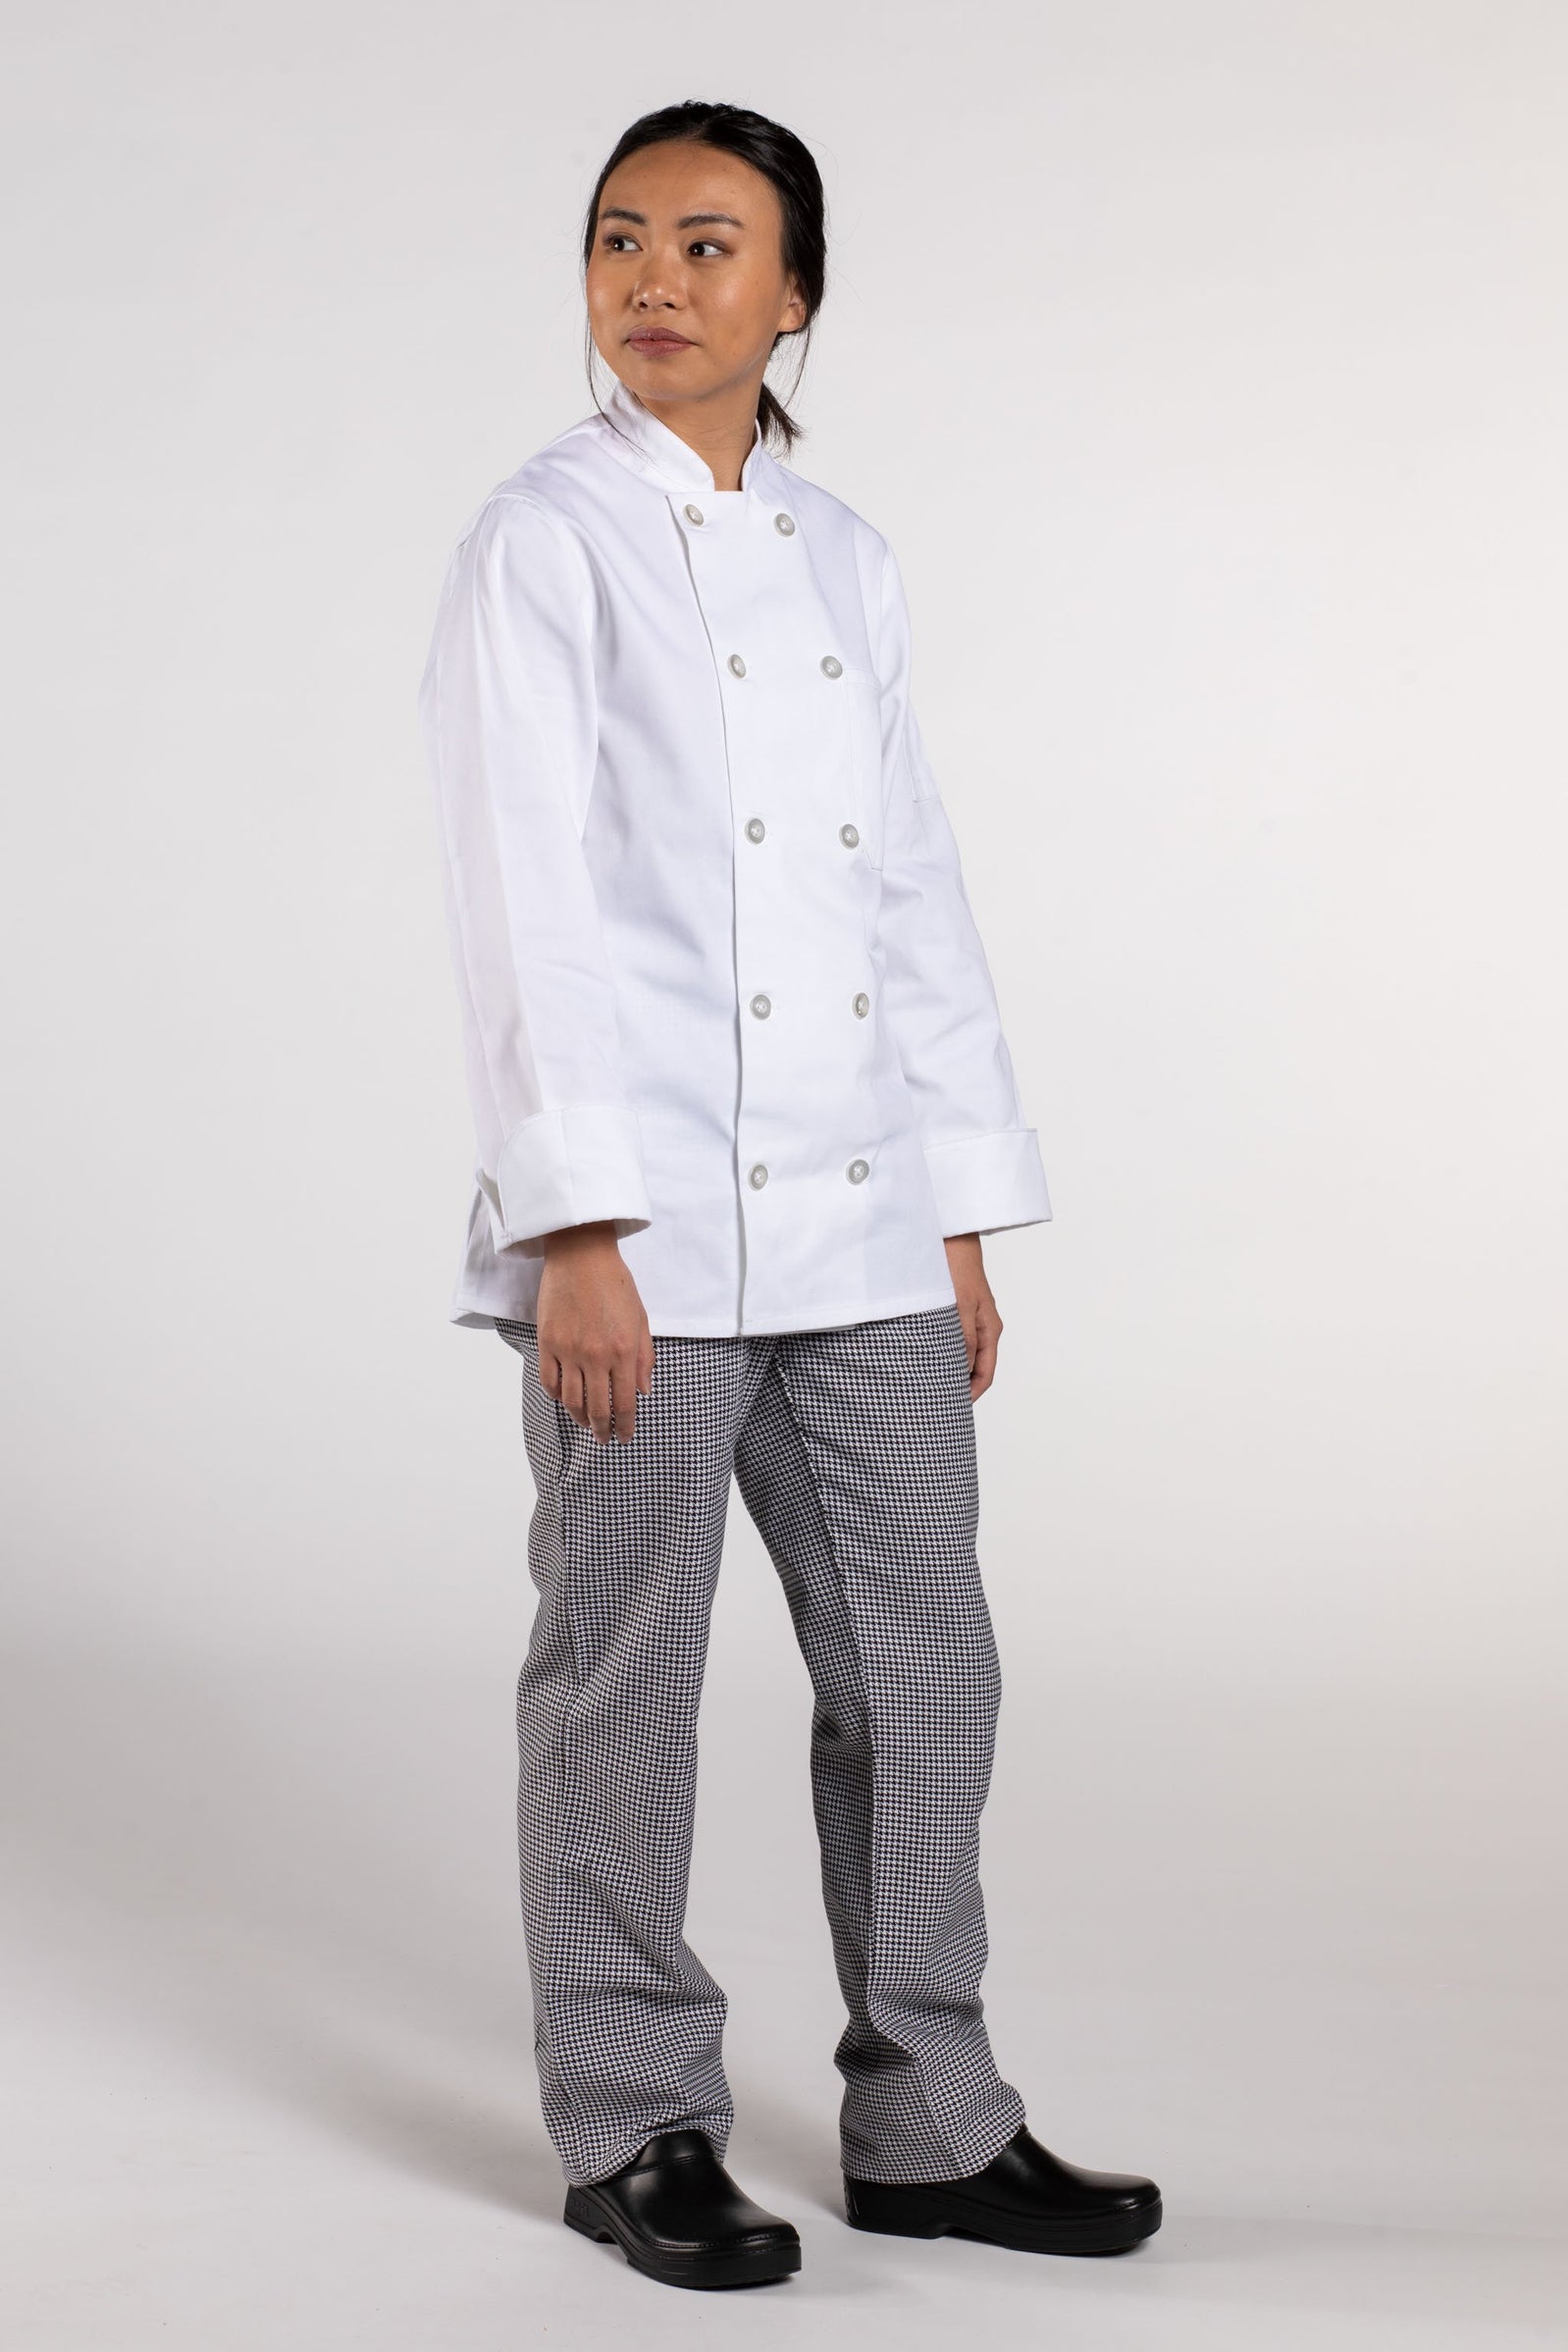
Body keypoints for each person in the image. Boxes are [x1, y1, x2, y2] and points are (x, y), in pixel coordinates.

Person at [418, 98, 1161, 2293]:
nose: (653, 278)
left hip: (857, 1222)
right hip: (639, 1232)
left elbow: (905, 887)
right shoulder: (540, 538)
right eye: (618, 238)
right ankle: (635, 2119)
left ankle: (930, 2114)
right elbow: (519, 899)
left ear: (795, 292)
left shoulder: (848, 558)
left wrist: (955, 1205)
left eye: (706, 242)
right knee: (621, 1691)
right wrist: (570, 1225)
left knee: (926, 1673)